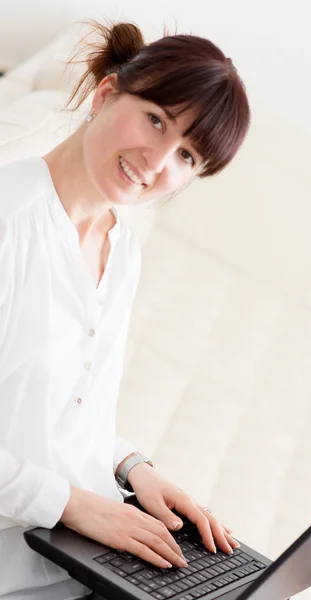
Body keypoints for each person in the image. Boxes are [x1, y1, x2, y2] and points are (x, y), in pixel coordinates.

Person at [0, 17, 250, 600]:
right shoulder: (9, 222)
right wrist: (74, 507)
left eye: (187, 155)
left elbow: (57, 410)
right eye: (156, 120)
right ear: (106, 93)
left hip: (76, 557)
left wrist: (133, 468)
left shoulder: (121, 248)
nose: (158, 160)